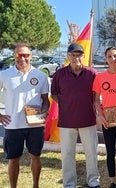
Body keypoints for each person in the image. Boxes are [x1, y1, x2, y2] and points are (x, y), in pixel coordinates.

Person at [0, 42, 50, 188]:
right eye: (18, 55)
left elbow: (46, 101)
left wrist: (44, 113)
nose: (22, 58)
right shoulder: (4, 75)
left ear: (31, 56)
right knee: (14, 159)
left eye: (25, 55)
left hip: (34, 125)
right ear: (14, 56)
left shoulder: (40, 76)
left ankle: (35, 185)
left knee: (35, 156)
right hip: (13, 125)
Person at [51, 43, 100, 188]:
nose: (76, 57)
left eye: (79, 55)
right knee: (67, 155)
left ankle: (93, 181)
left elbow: (96, 95)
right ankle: (69, 184)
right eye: (73, 54)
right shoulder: (60, 74)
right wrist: (67, 104)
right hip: (67, 121)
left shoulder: (92, 74)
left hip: (88, 120)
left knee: (91, 153)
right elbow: (54, 95)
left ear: (83, 56)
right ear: (68, 56)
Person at [93, 47, 116, 188]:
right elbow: (96, 100)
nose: (112, 59)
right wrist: (101, 116)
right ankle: (112, 182)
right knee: (110, 152)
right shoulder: (100, 77)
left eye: (115, 56)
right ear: (106, 59)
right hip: (108, 120)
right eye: (109, 56)